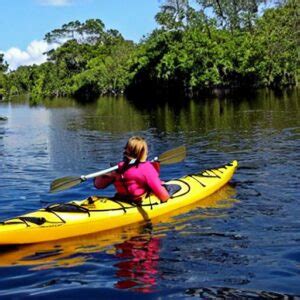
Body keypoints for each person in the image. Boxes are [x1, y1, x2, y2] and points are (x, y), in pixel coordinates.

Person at [94, 136, 170, 203]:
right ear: (143, 152)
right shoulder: (147, 168)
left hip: (120, 199)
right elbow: (164, 196)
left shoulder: (118, 167)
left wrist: (108, 175)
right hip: (137, 201)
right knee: (169, 188)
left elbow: (98, 185)